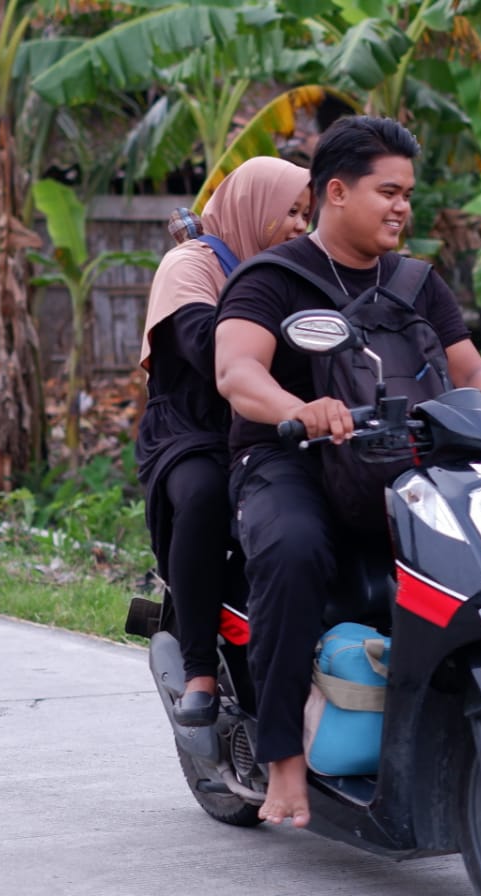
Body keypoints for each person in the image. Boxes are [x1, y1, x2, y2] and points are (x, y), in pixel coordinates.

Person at [214, 115, 481, 827]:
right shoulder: (273, 278)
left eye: (408, 193)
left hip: (401, 456)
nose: (402, 207)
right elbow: (237, 371)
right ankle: (282, 757)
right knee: (293, 550)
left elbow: (469, 371)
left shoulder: (415, 282)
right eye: (388, 192)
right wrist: (299, 408)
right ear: (336, 192)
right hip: (287, 458)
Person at [136, 156, 312, 727]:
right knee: (206, 494)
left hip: (267, 421)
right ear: (254, 207)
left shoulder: (292, 268)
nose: (300, 225)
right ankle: (199, 671)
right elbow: (211, 349)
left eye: (307, 214)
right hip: (192, 426)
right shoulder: (190, 264)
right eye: (290, 211)